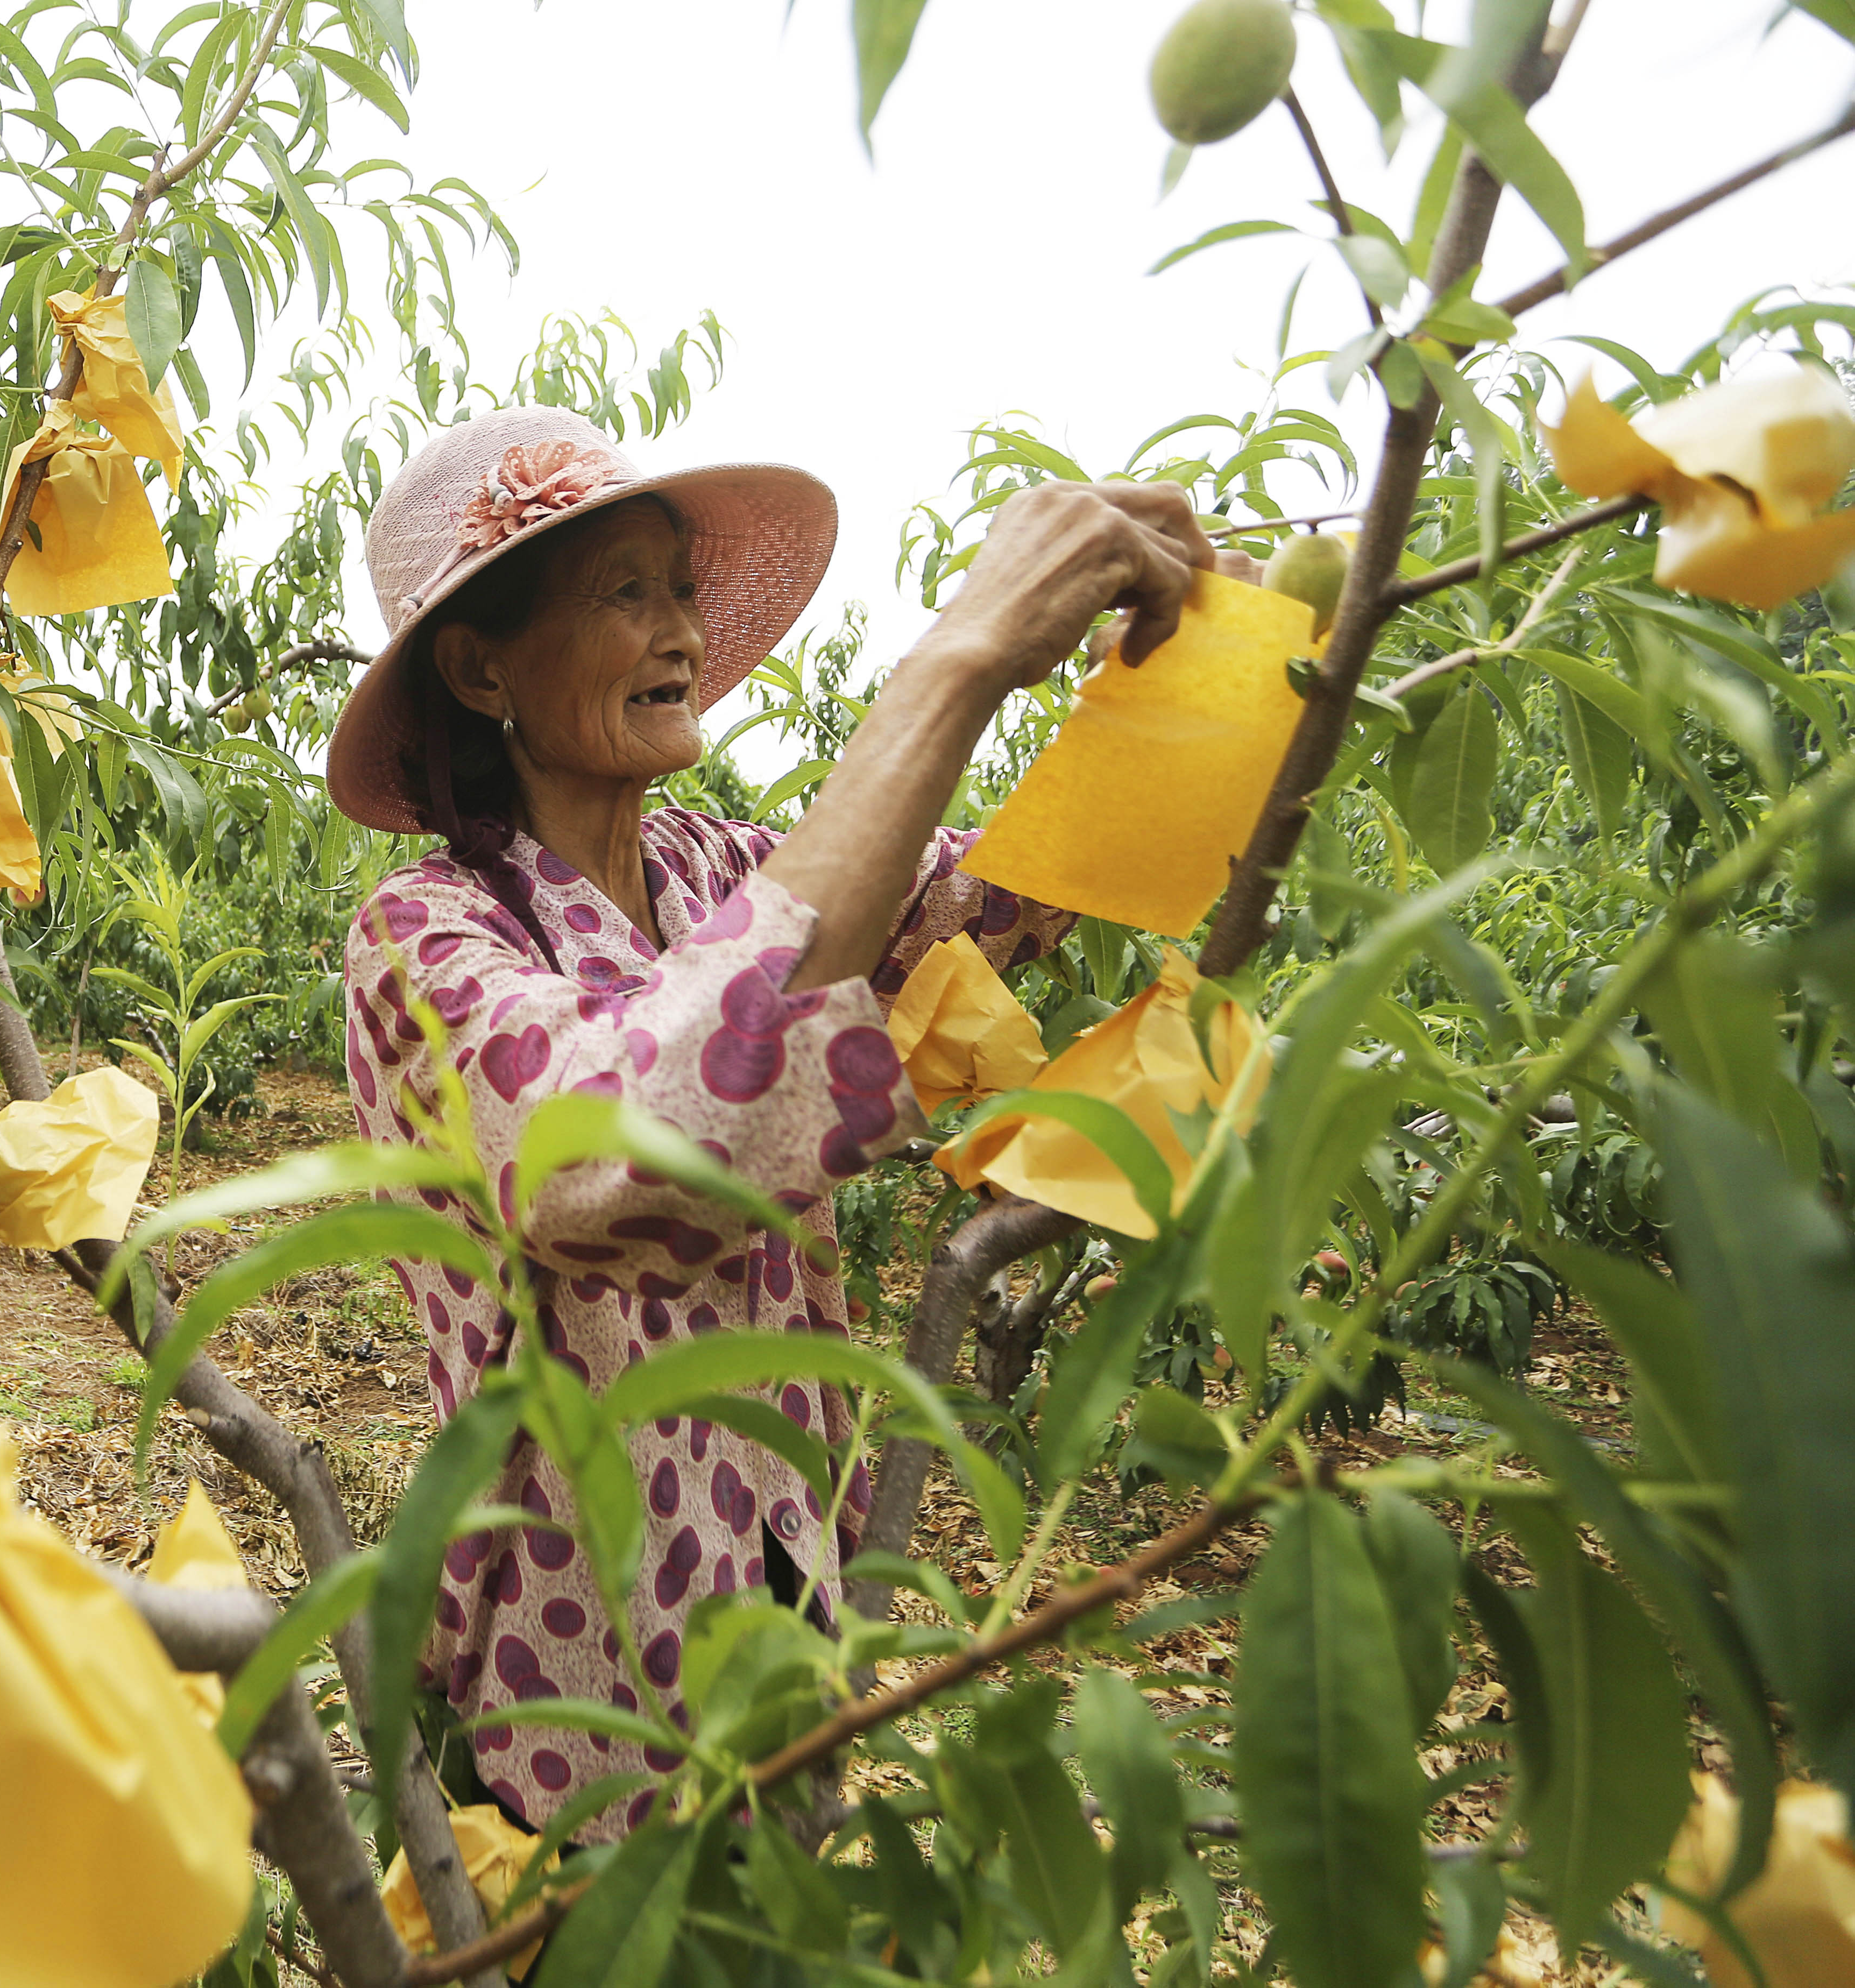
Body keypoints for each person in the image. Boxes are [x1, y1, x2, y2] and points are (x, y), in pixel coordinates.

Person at [327, 405, 1230, 1835]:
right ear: (480, 662)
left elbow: (1013, 891)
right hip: (577, 1659)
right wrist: (952, 665)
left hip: (788, 1575)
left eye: (682, 589)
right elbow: (626, 1133)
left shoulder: (712, 869)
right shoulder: (424, 937)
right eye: (628, 591)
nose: (682, 629)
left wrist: (1224, 671)